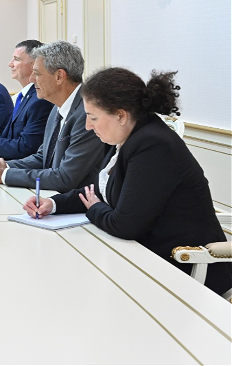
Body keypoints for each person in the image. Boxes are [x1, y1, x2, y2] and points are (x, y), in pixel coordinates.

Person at [23, 68, 231, 297]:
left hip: (183, 269)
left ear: (120, 115)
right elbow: (98, 192)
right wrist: (53, 204)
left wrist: (95, 208)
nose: (88, 126)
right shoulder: (130, 135)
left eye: (93, 117)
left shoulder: (154, 145)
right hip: (145, 256)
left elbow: (124, 225)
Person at [0, 41, 109, 191]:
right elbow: (43, 157)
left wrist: (3, 174)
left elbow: (65, 178)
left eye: (37, 73)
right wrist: (0, 166)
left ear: (59, 76)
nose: (32, 79)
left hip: (79, 202)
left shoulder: (87, 113)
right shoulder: (57, 106)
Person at [0, 40, 54, 159]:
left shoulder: (39, 100)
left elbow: (28, 147)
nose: (10, 64)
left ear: (34, 65)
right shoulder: (24, 96)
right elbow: (14, 137)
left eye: (16, 59)